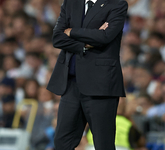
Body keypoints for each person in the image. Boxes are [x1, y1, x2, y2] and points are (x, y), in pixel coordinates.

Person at [46, 0, 128, 149]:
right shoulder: (71, 2)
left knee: (103, 144)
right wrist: (84, 45)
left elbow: (105, 36)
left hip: (100, 85)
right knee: (62, 142)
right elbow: (57, 37)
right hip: (71, 84)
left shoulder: (117, 4)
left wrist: (72, 32)